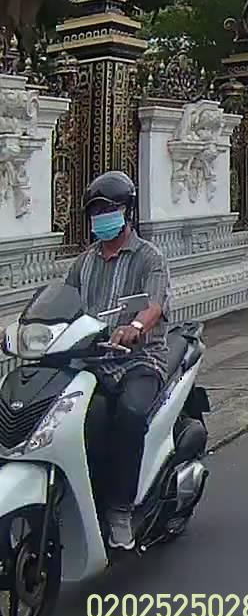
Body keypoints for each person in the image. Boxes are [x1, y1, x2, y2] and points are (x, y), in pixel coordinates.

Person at [63, 171, 172, 551]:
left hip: (140, 359)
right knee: (76, 418)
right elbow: (63, 302)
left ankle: (121, 509)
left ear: (127, 211)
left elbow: (155, 305)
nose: (101, 217)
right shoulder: (83, 263)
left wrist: (135, 326)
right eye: (95, 211)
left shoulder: (149, 257)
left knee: (129, 413)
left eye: (109, 209)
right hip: (94, 362)